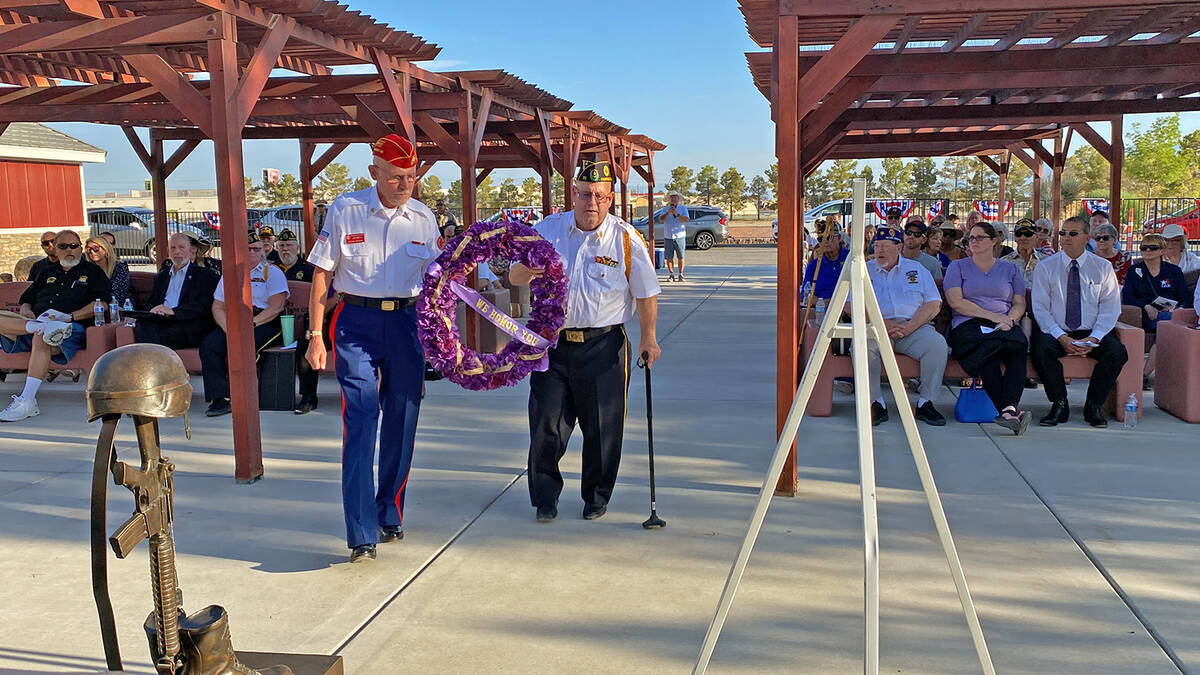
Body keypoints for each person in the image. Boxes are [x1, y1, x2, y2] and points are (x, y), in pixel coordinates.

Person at [305, 133, 441, 563]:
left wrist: (443, 335)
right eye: (397, 177)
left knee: (402, 418)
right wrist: (314, 336)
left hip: (406, 322)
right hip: (356, 323)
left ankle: (389, 509)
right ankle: (361, 530)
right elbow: (322, 277)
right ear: (374, 173)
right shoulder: (346, 209)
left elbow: (439, 279)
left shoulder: (423, 218)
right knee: (361, 420)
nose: (405, 185)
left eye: (411, 177)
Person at [508, 158, 661, 524]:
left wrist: (649, 338)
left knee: (602, 428)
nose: (591, 201)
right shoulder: (548, 229)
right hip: (553, 346)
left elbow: (645, 293)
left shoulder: (626, 239)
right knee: (546, 424)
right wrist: (526, 269)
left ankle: (596, 496)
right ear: (573, 195)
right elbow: (513, 278)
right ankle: (545, 498)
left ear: (610, 199)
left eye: (599, 195)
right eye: (584, 194)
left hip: (605, 346)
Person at [0, 230, 110, 422]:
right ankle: (35, 326)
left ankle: (27, 400)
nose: (69, 250)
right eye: (63, 246)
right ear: (55, 250)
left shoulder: (92, 272)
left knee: (42, 335)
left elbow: (103, 304)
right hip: (38, 324)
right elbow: (26, 300)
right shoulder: (45, 272)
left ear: (80, 248)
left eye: (74, 246)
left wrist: (70, 316)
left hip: (71, 328)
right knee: (38, 330)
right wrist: (26, 310)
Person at [1031, 216, 1127, 428]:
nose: (1066, 238)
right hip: (1056, 331)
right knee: (1040, 349)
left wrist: (1094, 338)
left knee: (1117, 352)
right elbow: (1040, 309)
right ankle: (1059, 403)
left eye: (1072, 233)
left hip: (1092, 331)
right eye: (1063, 233)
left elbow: (1110, 308)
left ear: (1087, 237)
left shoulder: (1102, 267)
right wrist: (1062, 338)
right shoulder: (1046, 267)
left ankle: (1093, 405)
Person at [944, 222, 1032, 435]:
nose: (973, 241)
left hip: (1004, 322)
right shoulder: (958, 267)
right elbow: (956, 302)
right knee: (988, 350)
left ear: (994, 241)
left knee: (1017, 347)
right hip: (969, 324)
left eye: (979, 237)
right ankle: (1008, 409)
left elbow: (1019, 303)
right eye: (970, 238)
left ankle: (1008, 410)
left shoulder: (1010, 269)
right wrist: (994, 317)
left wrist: (1009, 320)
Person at [198, 230, 288, 417]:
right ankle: (220, 398)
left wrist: (251, 324)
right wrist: (228, 328)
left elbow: (276, 307)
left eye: (256, 249)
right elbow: (218, 306)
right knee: (209, 346)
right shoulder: (230, 275)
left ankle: (243, 394)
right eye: (248, 249)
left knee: (246, 345)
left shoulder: (271, 272)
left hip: (264, 320)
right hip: (235, 321)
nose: (253, 253)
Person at [864, 226, 948, 426]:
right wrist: (883, 323)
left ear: (899, 247)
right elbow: (851, 304)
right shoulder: (864, 271)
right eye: (876, 246)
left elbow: (933, 303)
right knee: (864, 347)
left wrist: (910, 326)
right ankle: (876, 402)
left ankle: (926, 403)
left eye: (885, 246)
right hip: (877, 327)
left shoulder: (917, 270)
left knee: (937, 345)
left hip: (914, 327)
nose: (879, 250)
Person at [1122, 233, 1189, 389]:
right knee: (1167, 326)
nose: (1147, 251)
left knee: (1166, 326)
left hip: (1170, 315)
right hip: (1145, 315)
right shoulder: (1134, 270)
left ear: (1162, 251)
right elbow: (1127, 297)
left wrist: (1178, 309)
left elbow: (1185, 297)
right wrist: (1146, 306)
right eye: (1143, 248)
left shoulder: (1174, 271)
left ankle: (1143, 375)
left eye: (1152, 248)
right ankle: (1143, 376)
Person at [135, 232, 219, 350]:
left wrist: (172, 311)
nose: (176, 252)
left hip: (187, 323)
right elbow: (151, 302)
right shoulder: (162, 277)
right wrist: (155, 311)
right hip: (162, 320)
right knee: (142, 324)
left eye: (181, 247)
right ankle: (155, 359)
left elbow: (203, 306)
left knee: (157, 336)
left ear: (191, 250)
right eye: (173, 248)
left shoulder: (205, 275)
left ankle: (155, 360)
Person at [273, 228, 322, 414]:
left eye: (289, 245)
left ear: (298, 247)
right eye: (282, 246)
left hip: (305, 326)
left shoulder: (309, 269)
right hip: (276, 325)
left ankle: (308, 397)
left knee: (306, 346)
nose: (285, 249)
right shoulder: (270, 270)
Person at [802, 220, 848, 301]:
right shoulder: (814, 266)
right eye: (820, 239)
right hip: (820, 310)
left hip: (847, 309)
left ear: (839, 238)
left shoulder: (850, 259)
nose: (825, 241)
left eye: (828, 238)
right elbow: (805, 294)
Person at [84, 235, 131, 306]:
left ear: (105, 249)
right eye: (89, 249)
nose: (92, 252)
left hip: (120, 306)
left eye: (95, 248)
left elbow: (118, 293)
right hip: (95, 307)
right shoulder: (88, 269)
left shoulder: (120, 267)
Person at [656, 190, 690, 282]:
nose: (674, 199)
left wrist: (677, 214)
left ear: (678, 199)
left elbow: (686, 219)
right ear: (670, 199)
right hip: (668, 236)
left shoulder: (683, 209)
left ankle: (681, 274)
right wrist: (668, 213)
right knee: (669, 257)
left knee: (681, 256)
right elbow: (660, 219)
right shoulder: (665, 209)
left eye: (675, 197)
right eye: (672, 197)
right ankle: (671, 274)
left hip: (679, 236)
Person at [1001, 220, 1047, 287]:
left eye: (1028, 234)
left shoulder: (1046, 262)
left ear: (1036, 237)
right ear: (1015, 238)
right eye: (1018, 234)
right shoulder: (1004, 263)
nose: (1022, 238)